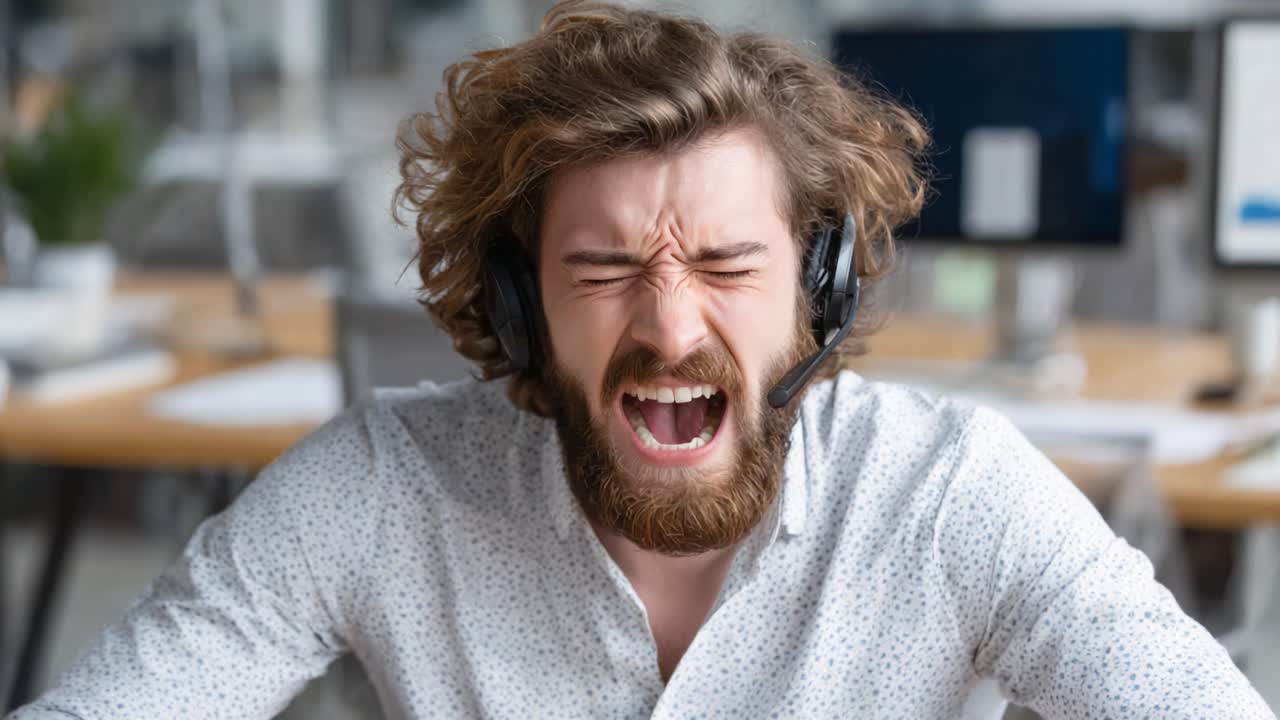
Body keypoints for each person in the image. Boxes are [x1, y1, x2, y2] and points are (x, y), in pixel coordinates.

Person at [11, 2, 1275, 718]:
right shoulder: (378, 492)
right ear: (516, 306)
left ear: (816, 294)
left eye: (725, 266)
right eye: (604, 270)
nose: (670, 329)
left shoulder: (949, 498)